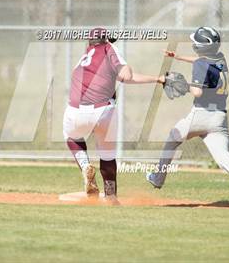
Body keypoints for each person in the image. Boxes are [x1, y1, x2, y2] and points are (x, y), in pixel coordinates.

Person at [63, 27, 164, 203]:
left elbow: (124, 79)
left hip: (75, 112)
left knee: (72, 136)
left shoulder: (84, 58)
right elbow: (126, 74)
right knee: (107, 156)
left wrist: (158, 78)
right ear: (105, 40)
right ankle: (111, 196)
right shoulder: (108, 48)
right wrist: (126, 65)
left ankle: (86, 167)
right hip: (103, 111)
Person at [146, 26, 229, 194]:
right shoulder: (220, 58)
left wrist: (183, 85)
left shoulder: (201, 64)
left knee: (172, 139)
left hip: (200, 115)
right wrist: (179, 57)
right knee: (222, 155)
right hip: (219, 117)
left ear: (200, 47)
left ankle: (158, 178)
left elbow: (197, 91)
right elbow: (203, 62)